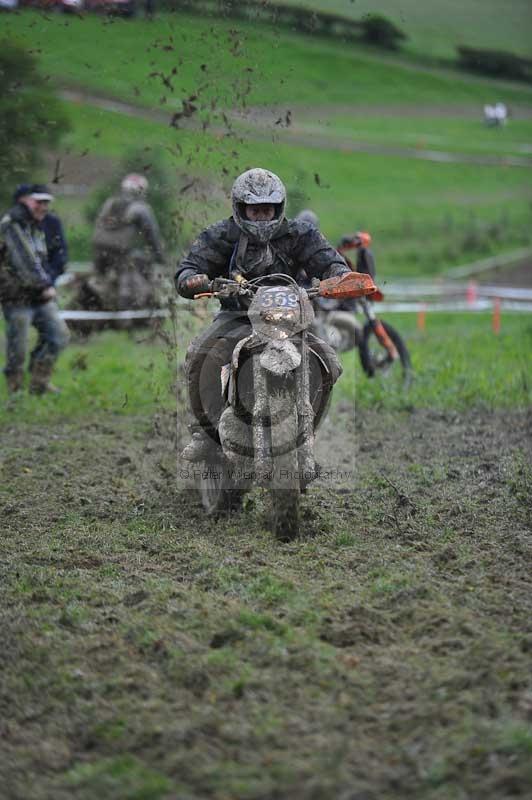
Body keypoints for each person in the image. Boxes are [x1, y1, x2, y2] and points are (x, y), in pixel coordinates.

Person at [175, 167, 350, 462]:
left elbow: (329, 261)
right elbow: (188, 268)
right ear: (241, 208)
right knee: (199, 354)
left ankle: (309, 428)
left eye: (267, 209)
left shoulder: (298, 233)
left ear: (278, 208)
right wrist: (193, 279)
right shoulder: (222, 235)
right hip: (237, 317)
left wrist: (340, 276)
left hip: (289, 319)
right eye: (254, 210)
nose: (261, 216)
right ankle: (204, 432)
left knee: (328, 362)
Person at [0, 184, 69, 394]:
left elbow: (43, 259)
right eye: (39, 202)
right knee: (17, 348)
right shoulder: (11, 224)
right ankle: (15, 390)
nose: (44, 207)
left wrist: (48, 280)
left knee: (58, 336)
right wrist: (45, 285)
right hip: (16, 297)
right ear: (24, 201)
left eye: (47, 202)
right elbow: (24, 263)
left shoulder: (35, 225)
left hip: (39, 296)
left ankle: (39, 382)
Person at [81, 173, 165, 316]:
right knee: (131, 274)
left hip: (98, 249)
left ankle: (96, 304)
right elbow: (152, 235)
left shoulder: (110, 202)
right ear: (142, 190)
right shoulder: (141, 208)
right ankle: (127, 310)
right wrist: (160, 257)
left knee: (99, 278)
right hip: (120, 252)